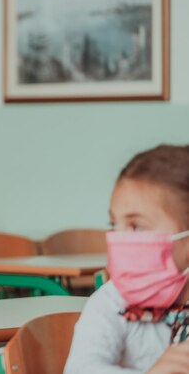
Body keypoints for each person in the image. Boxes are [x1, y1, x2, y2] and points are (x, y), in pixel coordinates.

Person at [65, 145, 189, 373]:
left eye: (136, 226)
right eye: (114, 225)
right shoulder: (111, 302)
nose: (120, 239)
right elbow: (81, 369)